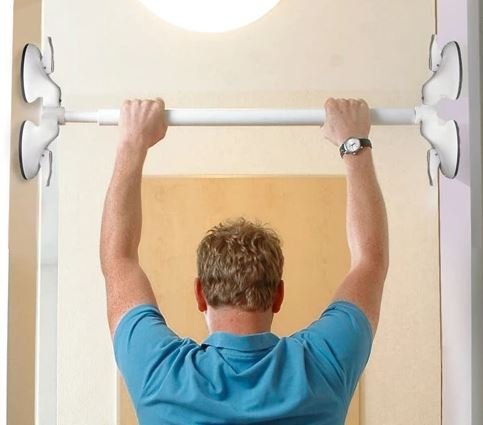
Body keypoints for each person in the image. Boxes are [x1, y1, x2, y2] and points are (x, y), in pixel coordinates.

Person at [100, 98, 389, 425]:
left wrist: (132, 142)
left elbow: (117, 260)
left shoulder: (160, 372)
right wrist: (354, 144)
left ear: (200, 294)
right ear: (278, 295)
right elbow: (370, 261)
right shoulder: (321, 364)